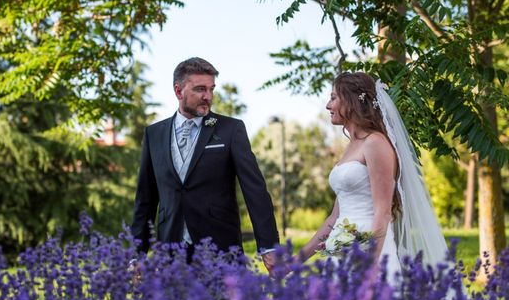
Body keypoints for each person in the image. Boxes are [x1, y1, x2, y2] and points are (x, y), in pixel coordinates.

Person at [296, 72, 450, 282]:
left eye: (333, 97)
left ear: (351, 101)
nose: (327, 105)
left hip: (371, 253)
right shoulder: (351, 147)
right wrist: (294, 262)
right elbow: (334, 219)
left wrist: (370, 269)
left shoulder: (376, 143)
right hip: (341, 254)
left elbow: (383, 212)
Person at [131, 57, 279, 274]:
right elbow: (145, 199)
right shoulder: (154, 134)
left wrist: (268, 246)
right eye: (200, 89)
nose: (208, 96)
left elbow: (255, 190)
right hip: (170, 252)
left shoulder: (231, 130)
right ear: (178, 91)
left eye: (211, 89)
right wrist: (137, 254)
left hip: (221, 250)